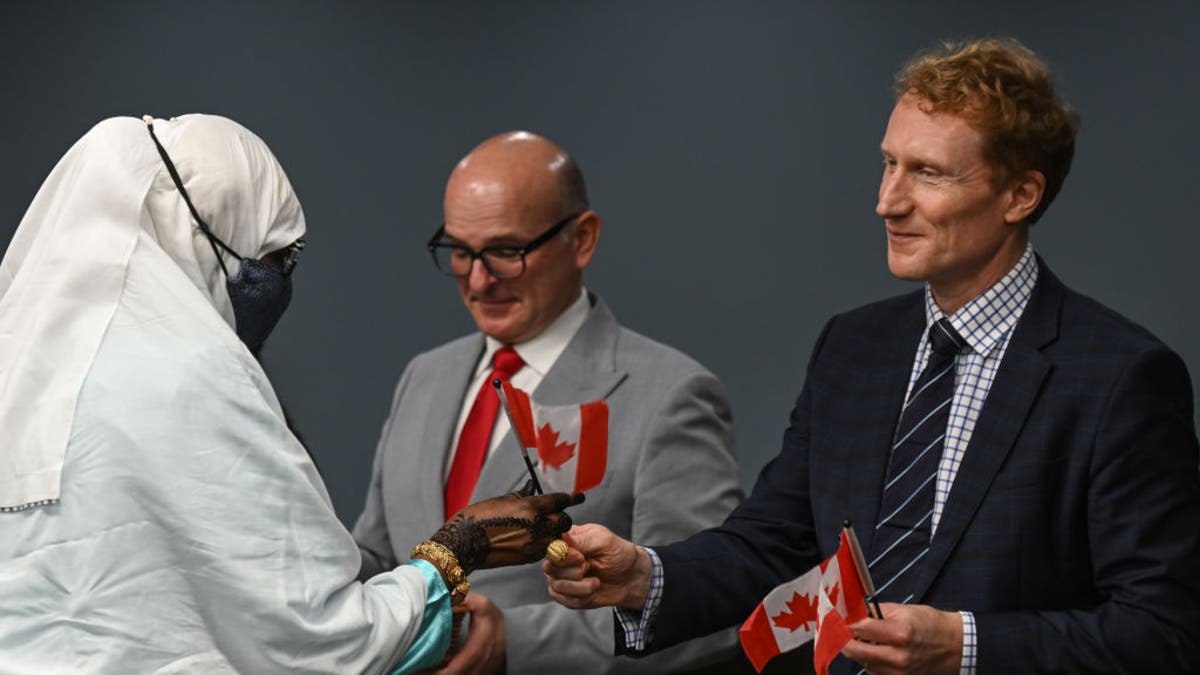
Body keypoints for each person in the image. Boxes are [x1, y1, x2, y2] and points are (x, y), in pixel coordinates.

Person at [545, 38, 1200, 674]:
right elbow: (769, 540)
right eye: (890, 163)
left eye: (928, 173)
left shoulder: (1122, 377)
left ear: (1020, 195)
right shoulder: (853, 349)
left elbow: (1162, 632)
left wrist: (965, 646)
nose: (887, 200)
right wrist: (644, 576)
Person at [0, 114, 577, 673]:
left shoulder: (25, 368)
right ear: (210, 237)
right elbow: (326, 646)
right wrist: (459, 547)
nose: (280, 280)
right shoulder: (195, 373)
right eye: (278, 257)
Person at [352, 131, 744, 674]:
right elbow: (377, 559)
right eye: (461, 252)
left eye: (506, 252)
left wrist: (512, 642)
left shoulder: (670, 394)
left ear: (582, 239)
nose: (479, 280)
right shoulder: (425, 376)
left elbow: (704, 609)